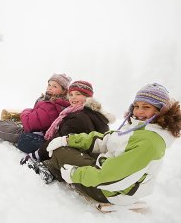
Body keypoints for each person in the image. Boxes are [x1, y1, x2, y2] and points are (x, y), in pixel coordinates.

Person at [44, 83, 181, 206]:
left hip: (112, 191)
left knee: (61, 152)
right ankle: (59, 164)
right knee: (70, 146)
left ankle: (53, 169)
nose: (139, 111)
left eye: (146, 107)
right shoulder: (139, 128)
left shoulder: (149, 141)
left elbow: (113, 177)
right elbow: (107, 140)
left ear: (161, 111)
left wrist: (75, 174)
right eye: (137, 106)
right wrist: (68, 140)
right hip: (111, 176)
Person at [19, 80, 115, 182]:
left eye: (78, 94)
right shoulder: (91, 113)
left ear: (87, 97)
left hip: (78, 157)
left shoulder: (78, 116)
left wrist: (36, 155)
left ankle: (52, 168)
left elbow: (59, 139)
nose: (73, 97)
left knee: (25, 141)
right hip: (87, 156)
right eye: (71, 94)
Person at [0, 73, 71, 144]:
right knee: (8, 122)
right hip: (36, 129)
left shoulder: (52, 106)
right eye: (49, 85)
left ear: (63, 91)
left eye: (54, 86)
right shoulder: (52, 101)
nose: (49, 88)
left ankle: (12, 122)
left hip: (33, 134)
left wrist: (26, 111)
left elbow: (29, 125)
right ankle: (12, 121)